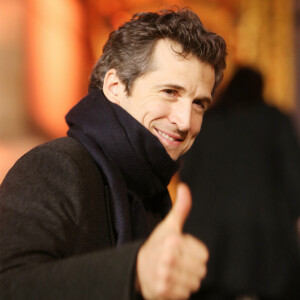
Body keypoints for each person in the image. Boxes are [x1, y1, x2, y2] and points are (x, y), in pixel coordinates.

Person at [0, 8, 227, 300]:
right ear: (115, 86)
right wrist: (134, 272)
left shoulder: (151, 191)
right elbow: (8, 286)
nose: (185, 121)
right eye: (170, 92)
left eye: (199, 104)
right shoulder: (54, 165)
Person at [180, 67, 300, 300]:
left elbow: (186, 175)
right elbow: (295, 182)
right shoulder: (275, 122)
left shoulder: (207, 123)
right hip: (267, 249)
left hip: (210, 246)